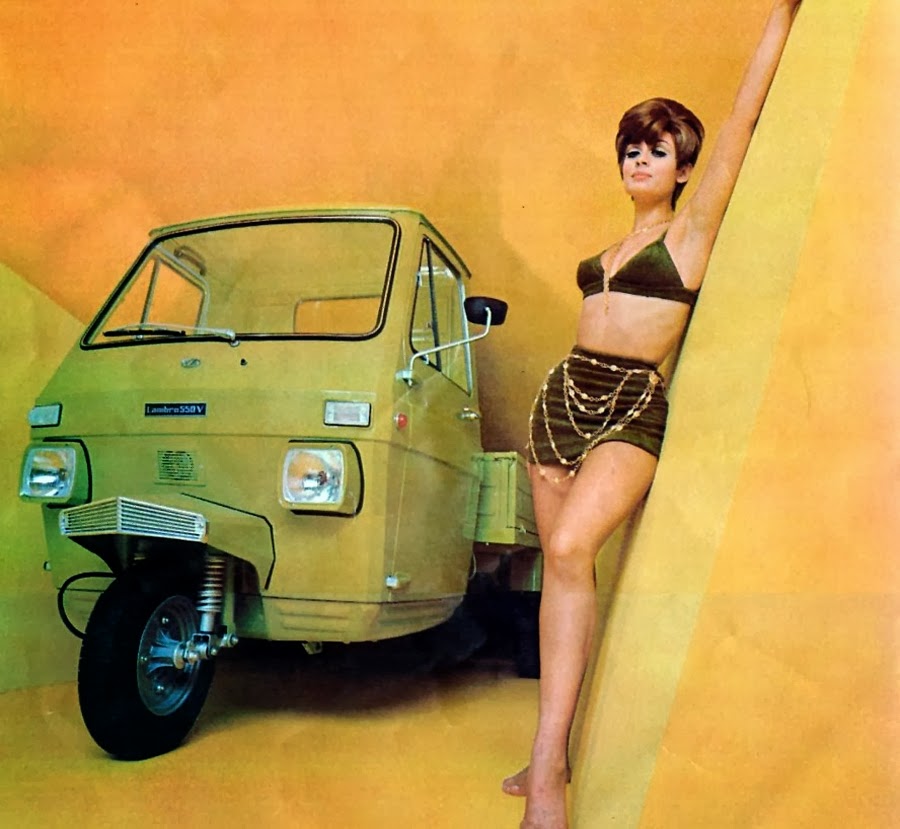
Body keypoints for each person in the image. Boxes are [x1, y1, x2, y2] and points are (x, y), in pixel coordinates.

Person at [502, 2, 804, 827]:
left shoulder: (690, 234)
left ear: (682, 169)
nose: (640, 158)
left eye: (657, 149)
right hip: (559, 408)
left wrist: (781, 14)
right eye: (631, 148)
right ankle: (547, 753)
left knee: (573, 550)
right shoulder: (606, 254)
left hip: (630, 407)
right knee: (560, 574)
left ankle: (550, 780)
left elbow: (742, 118)